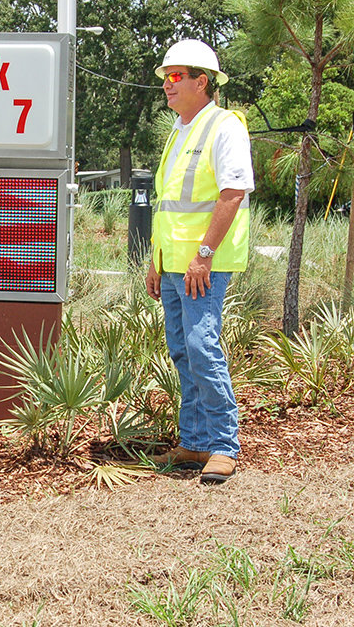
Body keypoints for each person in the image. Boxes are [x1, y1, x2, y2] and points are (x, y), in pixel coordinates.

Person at [145, 39, 253, 485]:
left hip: (202, 265)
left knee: (202, 347)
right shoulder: (178, 129)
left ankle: (224, 445)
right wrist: (156, 261)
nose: (167, 85)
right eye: (165, 77)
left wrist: (203, 256)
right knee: (182, 349)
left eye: (175, 76)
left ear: (201, 81)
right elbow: (167, 204)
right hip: (173, 265)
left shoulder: (224, 126)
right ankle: (194, 440)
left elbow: (232, 194)